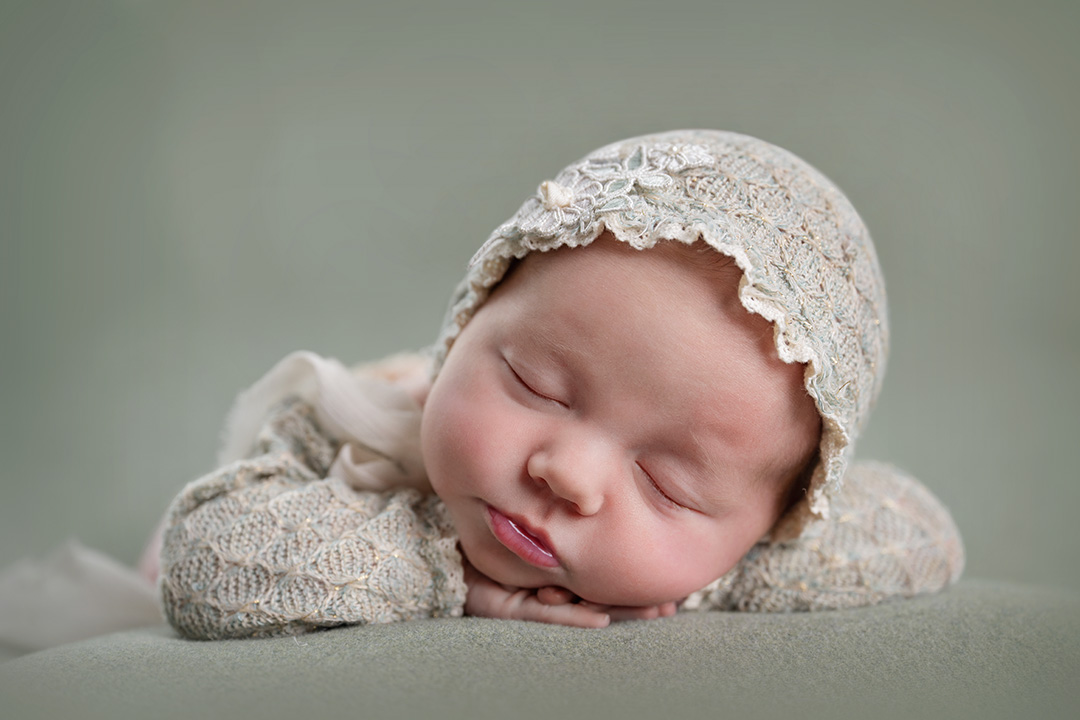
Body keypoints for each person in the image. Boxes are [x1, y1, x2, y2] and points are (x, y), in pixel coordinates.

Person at [152, 130, 965, 639]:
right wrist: (445, 573)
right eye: (535, 385)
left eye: (668, 485)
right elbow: (209, 562)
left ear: (774, 521)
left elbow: (927, 536)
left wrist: (714, 570)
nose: (566, 473)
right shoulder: (352, 427)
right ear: (465, 325)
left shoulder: (742, 543)